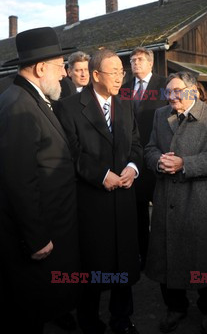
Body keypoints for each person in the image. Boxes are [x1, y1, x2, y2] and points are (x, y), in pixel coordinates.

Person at [56, 49, 143, 334]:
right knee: (91, 266)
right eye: (114, 72)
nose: (120, 77)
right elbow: (70, 152)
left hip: (124, 202)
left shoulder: (127, 104)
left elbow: (136, 145)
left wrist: (132, 166)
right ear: (95, 75)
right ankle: (89, 321)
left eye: (122, 72)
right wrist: (100, 175)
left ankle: (122, 319)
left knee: (124, 263)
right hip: (91, 203)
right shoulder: (68, 107)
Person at [0, 27, 79, 334]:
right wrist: (35, 237)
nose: (64, 75)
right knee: (27, 312)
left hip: (49, 227)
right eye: (61, 67)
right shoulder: (18, 106)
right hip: (33, 239)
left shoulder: (31, 97)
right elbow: (18, 180)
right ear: (40, 67)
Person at [145, 71, 207, 334]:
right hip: (166, 198)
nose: (171, 97)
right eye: (167, 92)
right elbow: (149, 149)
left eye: (177, 91)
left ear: (193, 90)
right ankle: (175, 307)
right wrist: (157, 161)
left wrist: (186, 164)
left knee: (201, 257)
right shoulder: (161, 115)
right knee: (167, 255)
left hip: (198, 201)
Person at [122, 47, 167, 269]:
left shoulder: (164, 84)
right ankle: (144, 253)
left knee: (162, 207)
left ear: (150, 63)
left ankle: (164, 252)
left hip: (158, 153)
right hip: (135, 156)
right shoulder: (125, 88)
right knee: (139, 210)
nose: (135, 63)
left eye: (139, 59)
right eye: (132, 60)